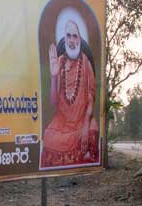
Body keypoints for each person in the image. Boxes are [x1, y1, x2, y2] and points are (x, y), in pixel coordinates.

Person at [42, 16, 99, 167]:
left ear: (79, 39)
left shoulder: (86, 63)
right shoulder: (59, 62)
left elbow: (91, 99)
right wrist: (54, 76)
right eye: (68, 36)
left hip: (81, 120)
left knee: (93, 130)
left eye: (75, 36)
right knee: (48, 136)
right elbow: (54, 101)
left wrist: (85, 125)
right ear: (64, 38)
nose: (72, 40)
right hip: (62, 122)